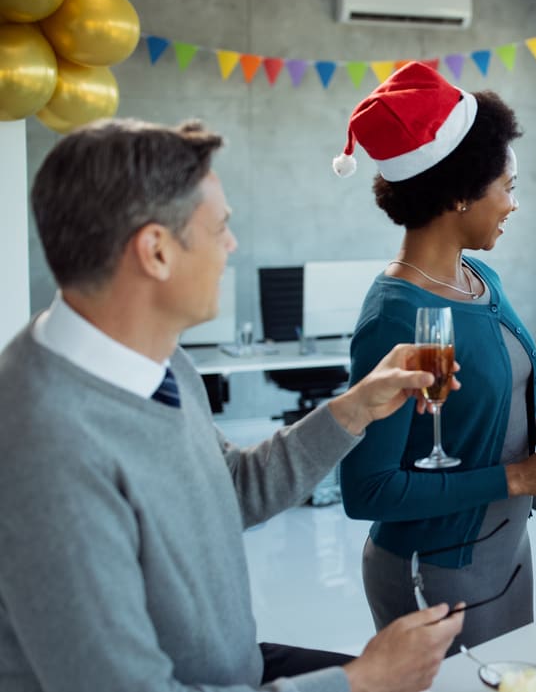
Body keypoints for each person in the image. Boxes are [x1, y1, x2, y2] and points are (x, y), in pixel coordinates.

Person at [0, 118, 464, 692]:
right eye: (220, 227)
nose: (232, 246)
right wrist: (361, 681)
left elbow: (232, 489)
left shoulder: (160, 357)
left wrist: (357, 407)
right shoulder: (43, 453)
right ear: (156, 252)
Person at [334, 63, 536, 649]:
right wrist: (520, 475)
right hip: (436, 571)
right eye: (507, 187)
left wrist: (532, 429)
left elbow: (466, 405)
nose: (513, 204)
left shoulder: (479, 278)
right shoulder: (397, 316)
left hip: (504, 552)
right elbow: (367, 490)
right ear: (458, 194)